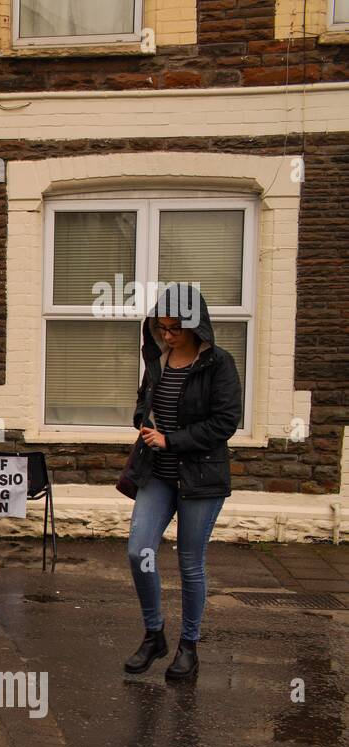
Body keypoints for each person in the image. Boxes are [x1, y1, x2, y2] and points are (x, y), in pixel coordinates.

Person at [124, 283, 243, 680]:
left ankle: (188, 647)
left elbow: (225, 422)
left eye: (175, 328)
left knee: (190, 563)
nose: (168, 335)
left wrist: (172, 439)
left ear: (196, 326)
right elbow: (145, 401)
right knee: (139, 551)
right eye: (162, 327)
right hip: (157, 474)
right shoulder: (158, 360)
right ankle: (154, 634)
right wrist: (144, 422)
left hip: (201, 478)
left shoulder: (219, 364)